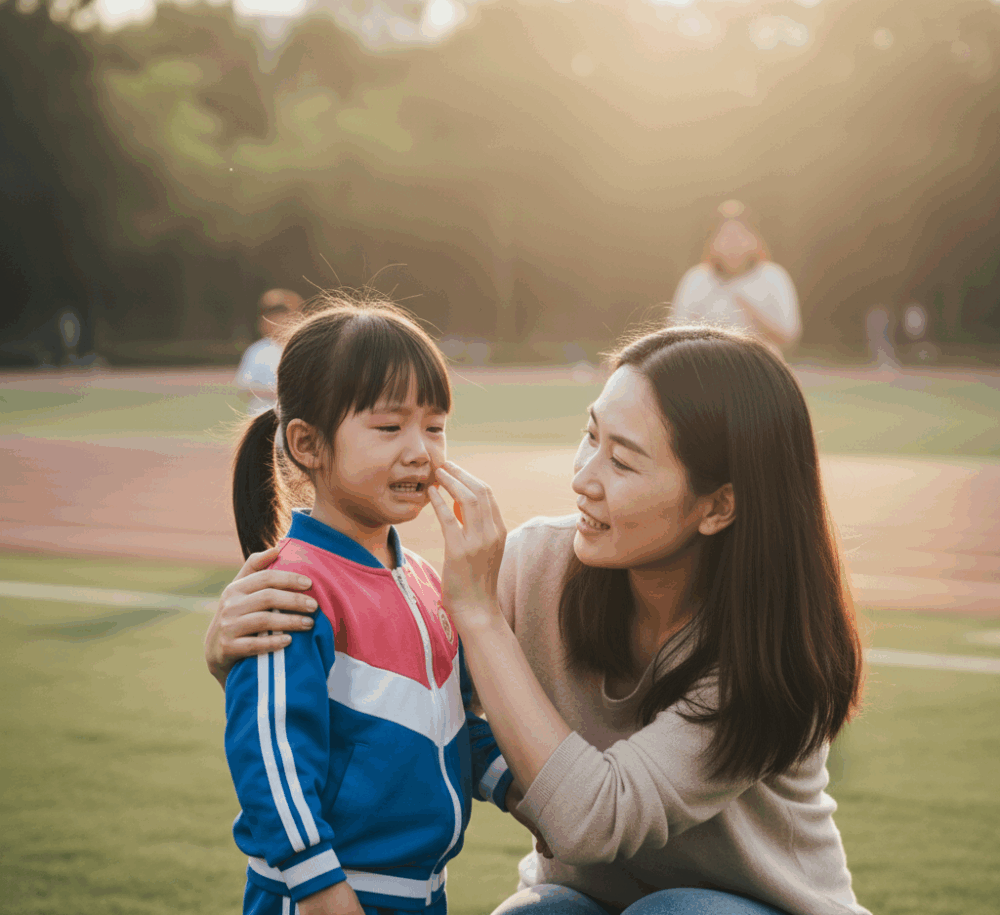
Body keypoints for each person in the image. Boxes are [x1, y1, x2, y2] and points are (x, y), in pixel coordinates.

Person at [206, 325, 870, 915]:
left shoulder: (772, 662)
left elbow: (591, 822)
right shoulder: (538, 564)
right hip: (578, 898)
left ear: (718, 505)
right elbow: (435, 711)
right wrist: (237, 652)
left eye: (623, 459)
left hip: (751, 907)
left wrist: (479, 615)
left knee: (678, 909)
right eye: (590, 436)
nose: (582, 476)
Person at [222, 298, 514, 915]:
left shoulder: (429, 581)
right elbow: (272, 759)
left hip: (422, 894)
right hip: (324, 897)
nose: (421, 451)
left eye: (434, 427)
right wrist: (325, 893)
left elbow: (456, 729)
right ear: (308, 444)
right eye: (389, 427)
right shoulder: (293, 588)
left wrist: (533, 792)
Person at [671, 201, 802, 355]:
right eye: (725, 236)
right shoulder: (696, 278)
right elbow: (673, 333)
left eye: (740, 235)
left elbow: (789, 336)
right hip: (706, 363)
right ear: (711, 242)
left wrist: (747, 304)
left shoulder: (772, 276)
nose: (733, 243)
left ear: (755, 240)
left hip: (759, 364)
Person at [235, 288, 305, 414]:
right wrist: (275, 393)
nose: (277, 322)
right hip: (261, 419)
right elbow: (244, 388)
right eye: (271, 318)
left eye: (282, 317)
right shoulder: (257, 351)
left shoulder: (301, 349)